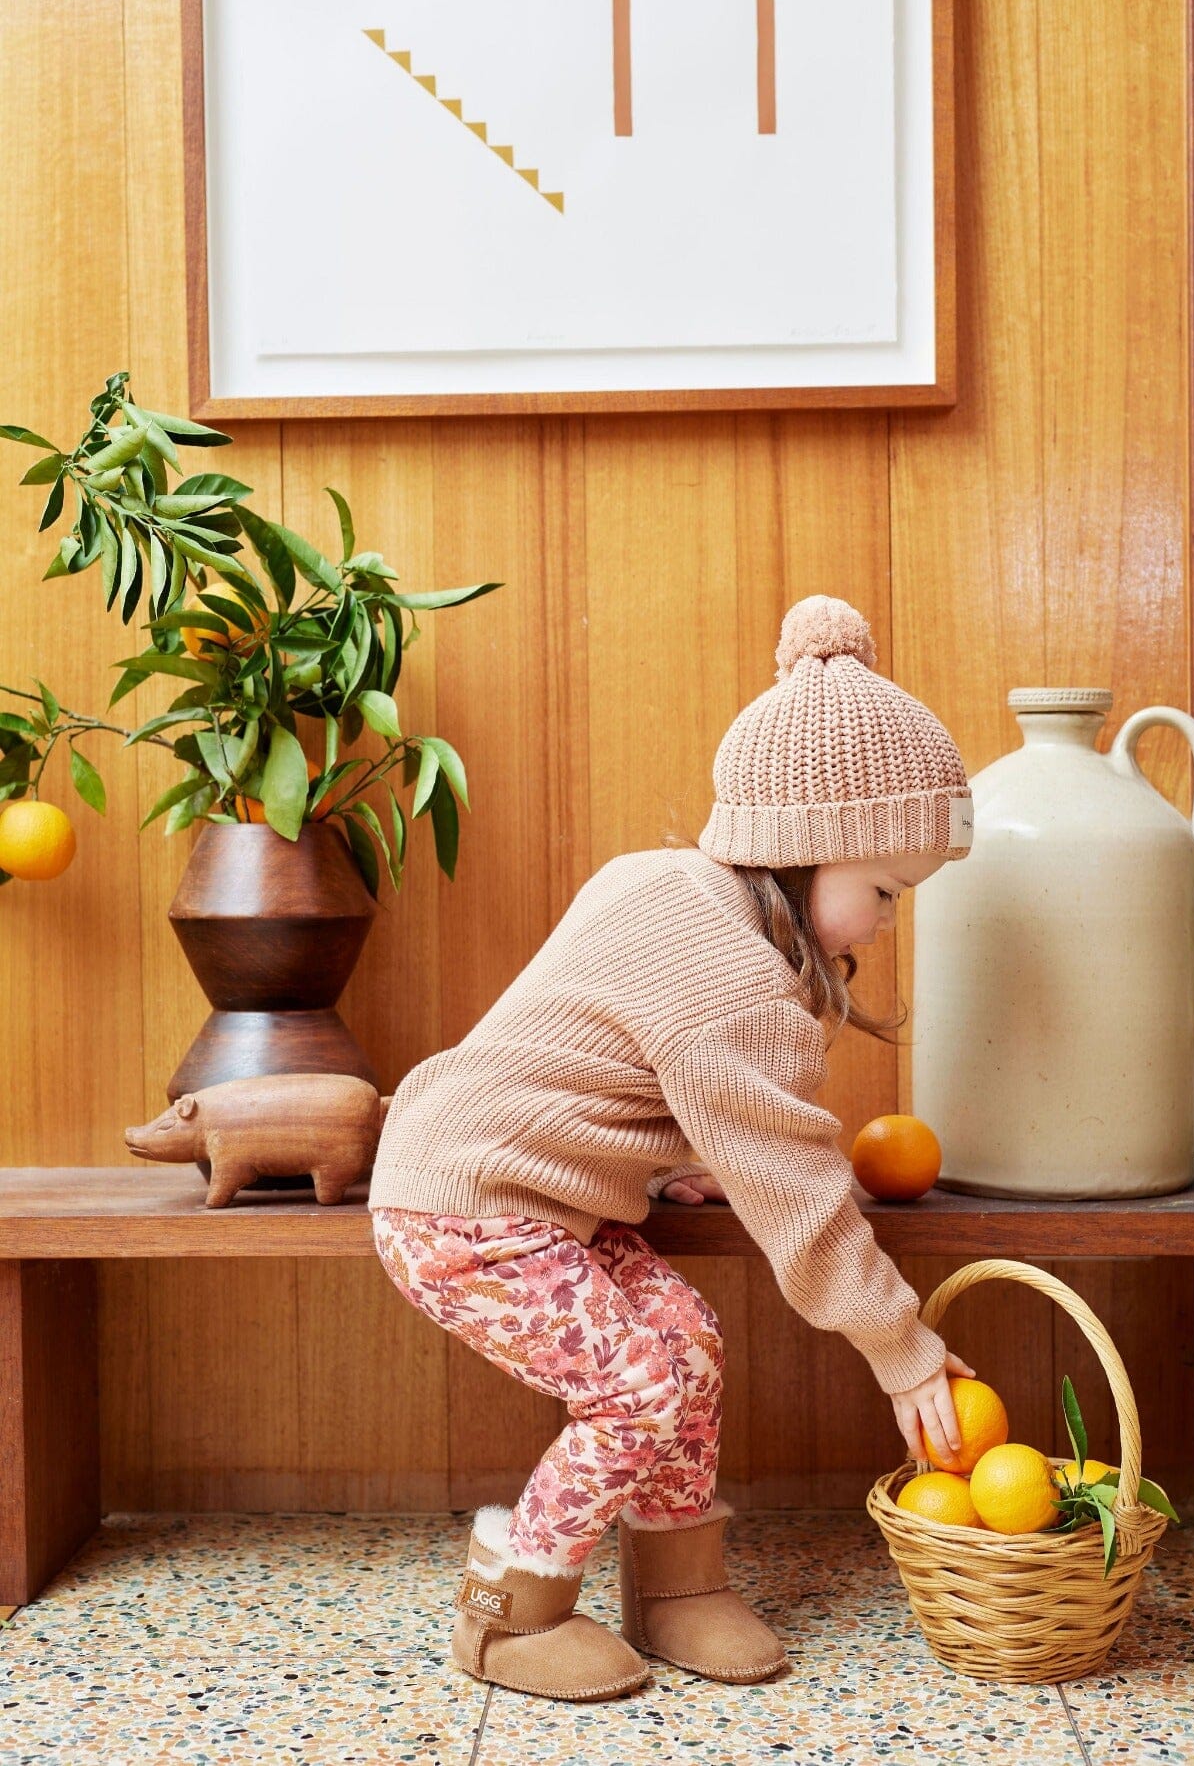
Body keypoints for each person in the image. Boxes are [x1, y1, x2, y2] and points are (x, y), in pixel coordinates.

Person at [369, 593, 978, 1703]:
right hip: (462, 1206)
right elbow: (798, 1192)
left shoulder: (665, 883)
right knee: (639, 1380)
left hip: (526, 1189)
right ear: (806, 846)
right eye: (885, 888)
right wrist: (906, 1345)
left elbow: (587, 1067)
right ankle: (513, 1614)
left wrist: (669, 1155)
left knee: (686, 1334)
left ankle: (678, 1583)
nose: (888, 920)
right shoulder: (736, 978)